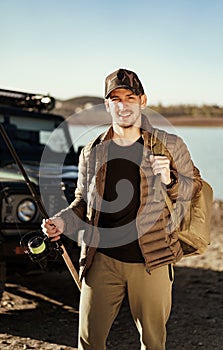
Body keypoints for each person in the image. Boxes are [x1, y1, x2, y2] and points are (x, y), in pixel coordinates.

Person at [41, 68, 202, 350]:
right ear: (107, 105)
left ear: (142, 100)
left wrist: (170, 179)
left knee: (153, 343)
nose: (123, 104)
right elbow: (81, 202)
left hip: (151, 261)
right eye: (115, 98)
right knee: (89, 342)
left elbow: (195, 188)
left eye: (130, 96)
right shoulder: (91, 150)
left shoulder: (170, 145)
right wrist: (62, 222)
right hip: (101, 260)